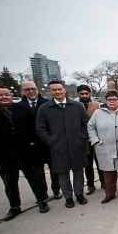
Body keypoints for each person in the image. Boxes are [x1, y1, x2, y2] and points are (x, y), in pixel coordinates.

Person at [0, 87, 50, 220]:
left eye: (6, 94)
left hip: (27, 153)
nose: (3, 97)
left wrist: (34, 144)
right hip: (4, 156)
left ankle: (42, 201)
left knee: (35, 179)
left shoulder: (22, 108)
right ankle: (14, 207)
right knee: (10, 183)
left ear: (11, 95)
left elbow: (35, 127)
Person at [36, 80, 90, 208]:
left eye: (59, 89)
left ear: (64, 90)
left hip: (76, 146)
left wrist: (82, 138)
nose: (57, 92)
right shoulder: (44, 108)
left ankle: (79, 194)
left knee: (78, 173)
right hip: (58, 148)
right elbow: (40, 128)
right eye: (54, 90)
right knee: (63, 175)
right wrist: (51, 141)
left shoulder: (77, 106)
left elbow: (86, 124)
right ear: (50, 92)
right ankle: (68, 198)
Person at [87, 90, 118, 203]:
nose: (111, 102)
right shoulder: (98, 113)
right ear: (106, 101)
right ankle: (110, 194)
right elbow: (90, 127)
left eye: (114, 99)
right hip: (104, 147)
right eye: (109, 99)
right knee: (108, 173)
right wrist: (95, 141)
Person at [17, 80, 61, 199]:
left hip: (49, 144)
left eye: (33, 89)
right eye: (27, 89)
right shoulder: (17, 107)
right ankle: (43, 198)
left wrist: (53, 140)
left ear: (37, 89)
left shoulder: (48, 103)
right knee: (37, 175)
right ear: (22, 91)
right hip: (31, 147)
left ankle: (56, 190)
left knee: (55, 171)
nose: (31, 91)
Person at [77, 84, 103, 195]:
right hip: (83, 140)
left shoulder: (97, 105)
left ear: (90, 94)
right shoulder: (75, 105)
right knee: (87, 165)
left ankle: (104, 182)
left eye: (86, 93)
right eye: (82, 94)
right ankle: (90, 185)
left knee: (100, 162)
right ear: (79, 94)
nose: (84, 95)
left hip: (96, 138)